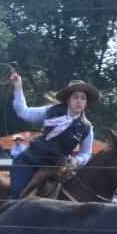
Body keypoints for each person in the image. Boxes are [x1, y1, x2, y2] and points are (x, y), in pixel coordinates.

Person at [6, 68, 98, 200]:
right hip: (30, 161)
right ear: (68, 100)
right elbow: (23, 112)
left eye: (83, 98)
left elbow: (86, 154)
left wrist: (76, 161)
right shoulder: (50, 110)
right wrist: (18, 87)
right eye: (75, 97)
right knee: (17, 197)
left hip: (58, 169)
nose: (79, 101)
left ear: (86, 102)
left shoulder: (87, 128)